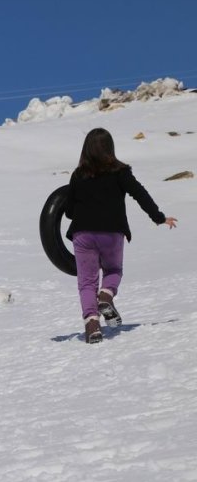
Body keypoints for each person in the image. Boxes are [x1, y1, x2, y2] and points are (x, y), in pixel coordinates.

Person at [65, 128, 178, 343]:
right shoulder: (120, 171)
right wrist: (159, 217)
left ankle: (92, 324)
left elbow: (69, 210)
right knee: (114, 269)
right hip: (111, 232)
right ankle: (106, 296)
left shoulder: (78, 175)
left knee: (87, 281)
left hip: (83, 234)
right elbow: (139, 193)